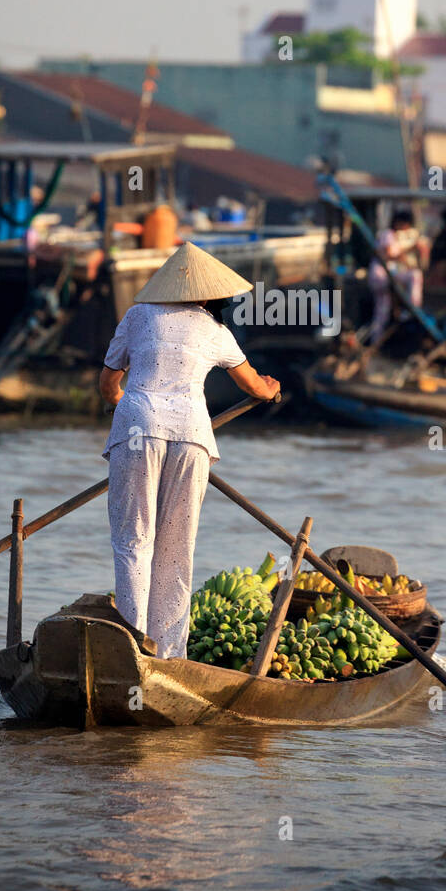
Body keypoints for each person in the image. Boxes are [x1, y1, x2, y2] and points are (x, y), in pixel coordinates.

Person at [98, 241, 280, 658]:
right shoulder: (216, 332)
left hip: (138, 430)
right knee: (177, 548)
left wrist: (129, 405)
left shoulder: (138, 316)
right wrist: (271, 391)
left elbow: (109, 385)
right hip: (192, 436)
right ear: (206, 292)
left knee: (134, 541)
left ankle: (131, 646)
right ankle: (168, 654)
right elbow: (253, 385)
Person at [368, 209, 426, 345]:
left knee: (382, 312)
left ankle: (375, 342)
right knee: (415, 276)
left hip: (388, 277)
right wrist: (410, 249)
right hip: (381, 276)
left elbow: (401, 259)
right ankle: (413, 307)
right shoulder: (387, 235)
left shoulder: (395, 238)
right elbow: (389, 255)